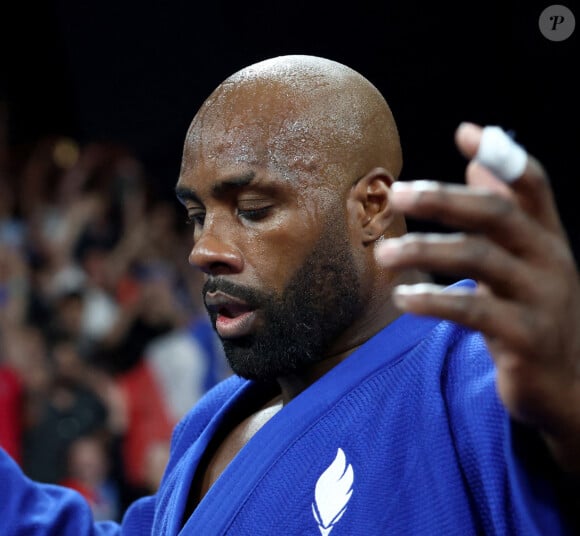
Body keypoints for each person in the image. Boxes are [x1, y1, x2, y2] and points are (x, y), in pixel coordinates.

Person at [0, 54, 579, 535]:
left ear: (371, 207)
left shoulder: (469, 364)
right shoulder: (207, 423)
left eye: (252, 211)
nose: (204, 249)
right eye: (197, 216)